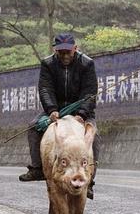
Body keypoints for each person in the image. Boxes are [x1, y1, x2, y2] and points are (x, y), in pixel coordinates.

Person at [19, 33, 100, 200]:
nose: (64, 56)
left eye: (68, 52)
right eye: (61, 52)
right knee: (34, 127)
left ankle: (89, 180)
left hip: (81, 111)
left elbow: (90, 92)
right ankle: (37, 168)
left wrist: (82, 114)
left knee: (94, 136)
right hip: (57, 111)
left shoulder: (87, 64)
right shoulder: (47, 64)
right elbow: (45, 89)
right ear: (55, 50)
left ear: (75, 49)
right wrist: (51, 109)